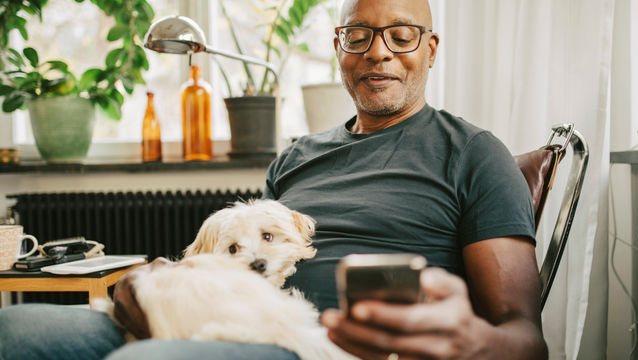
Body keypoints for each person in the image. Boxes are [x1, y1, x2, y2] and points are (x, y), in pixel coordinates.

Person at [0, 0, 547, 359]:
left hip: (314, 344)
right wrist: (168, 279)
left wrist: (471, 341)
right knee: (16, 333)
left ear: (429, 50)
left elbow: (525, 338)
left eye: (401, 35)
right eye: (358, 35)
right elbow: (243, 257)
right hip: (226, 320)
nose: (378, 51)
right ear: (339, 49)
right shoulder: (297, 157)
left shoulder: (474, 154)